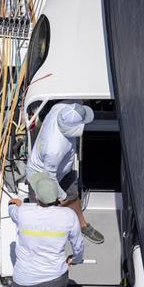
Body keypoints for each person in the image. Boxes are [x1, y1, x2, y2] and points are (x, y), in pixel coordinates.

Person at [26, 102, 104, 244]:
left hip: (62, 171)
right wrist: (61, 197)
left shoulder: (59, 108)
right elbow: (50, 176)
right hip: (41, 176)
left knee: (73, 196)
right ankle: (45, 241)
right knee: (43, 210)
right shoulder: (54, 148)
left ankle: (82, 225)